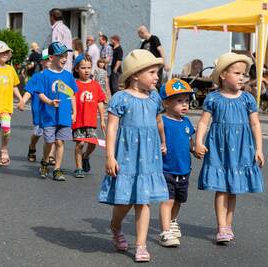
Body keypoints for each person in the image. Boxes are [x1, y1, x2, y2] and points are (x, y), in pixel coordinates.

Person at [98, 49, 168, 262]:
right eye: (153, 72)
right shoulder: (121, 98)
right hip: (127, 155)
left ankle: (140, 245)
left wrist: (163, 141)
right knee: (124, 202)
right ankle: (116, 226)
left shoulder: (154, 97)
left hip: (149, 156)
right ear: (136, 74)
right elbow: (111, 129)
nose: (157, 77)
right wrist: (110, 156)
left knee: (143, 200)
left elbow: (158, 122)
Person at [195, 52, 264, 244]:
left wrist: (259, 149)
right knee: (221, 188)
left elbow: (255, 125)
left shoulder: (247, 99)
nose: (242, 77)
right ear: (223, 75)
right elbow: (203, 123)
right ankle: (221, 226)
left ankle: (228, 225)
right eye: (237, 73)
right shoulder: (213, 98)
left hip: (242, 148)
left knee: (234, 188)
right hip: (219, 147)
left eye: (244, 74)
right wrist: (199, 141)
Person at [158, 79, 195, 247]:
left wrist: (196, 148)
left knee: (179, 199)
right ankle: (165, 232)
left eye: (186, 100)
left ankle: (172, 221)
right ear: (166, 103)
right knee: (168, 200)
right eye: (179, 101)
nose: (184, 104)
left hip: (184, 169)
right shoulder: (162, 122)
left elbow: (190, 141)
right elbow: (155, 140)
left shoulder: (187, 122)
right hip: (166, 169)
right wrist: (159, 146)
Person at [35, 41, 78, 181]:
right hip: (49, 116)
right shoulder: (44, 75)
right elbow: (40, 93)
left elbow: (72, 94)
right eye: (61, 56)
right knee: (49, 141)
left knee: (60, 142)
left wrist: (74, 112)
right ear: (51, 57)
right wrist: (49, 102)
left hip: (64, 116)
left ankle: (57, 169)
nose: (64, 58)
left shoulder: (68, 75)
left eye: (66, 55)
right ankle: (45, 161)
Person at [72, 54, 106, 178]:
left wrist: (102, 120)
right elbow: (70, 101)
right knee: (80, 143)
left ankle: (85, 156)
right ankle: (79, 168)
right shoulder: (74, 84)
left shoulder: (95, 85)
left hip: (91, 121)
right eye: (83, 68)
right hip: (78, 121)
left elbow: (100, 102)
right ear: (76, 69)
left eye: (89, 67)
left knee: (92, 143)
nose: (86, 70)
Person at [18, 49, 54, 163]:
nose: (49, 61)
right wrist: (23, 101)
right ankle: (32, 147)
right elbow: (29, 91)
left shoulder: (57, 76)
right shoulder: (36, 77)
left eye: (51, 59)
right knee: (37, 133)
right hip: (39, 109)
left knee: (51, 133)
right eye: (47, 59)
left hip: (52, 109)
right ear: (41, 62)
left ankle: (50, 155)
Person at [49, 8, 73, 72]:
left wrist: (44, 57)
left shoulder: (57, 29)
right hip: (68, 63)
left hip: (60, 64)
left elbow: (55, 48)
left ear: (52, 17)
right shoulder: (66, 28)